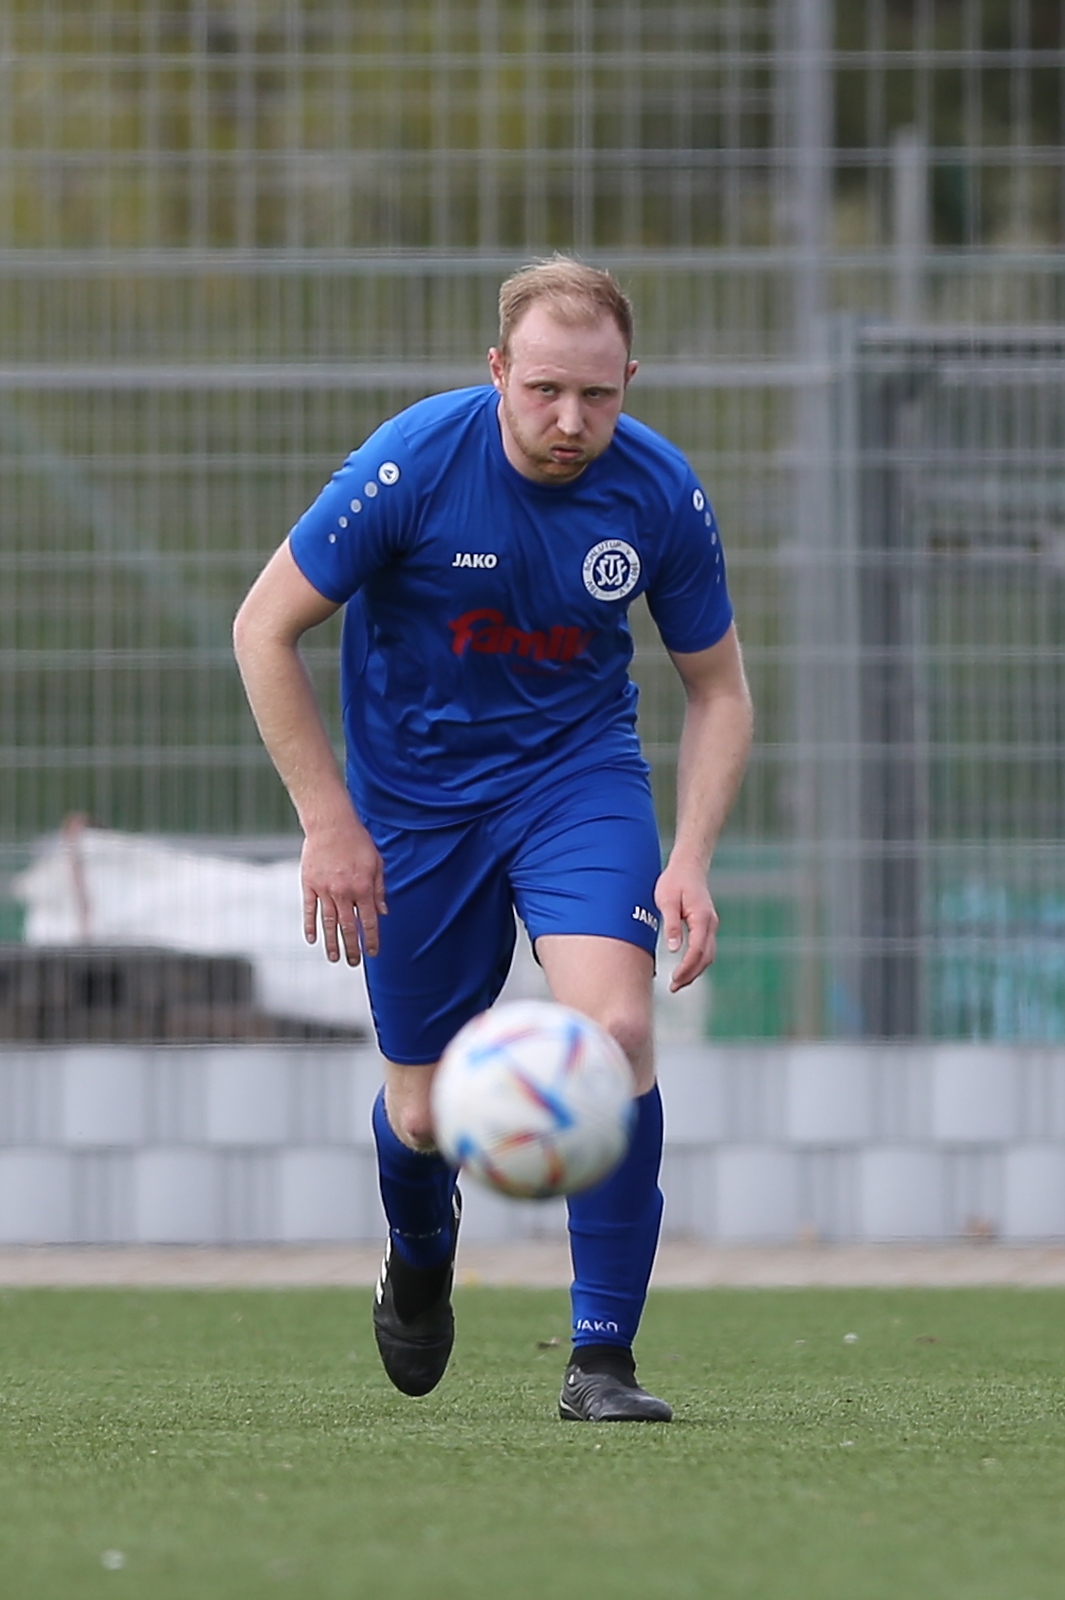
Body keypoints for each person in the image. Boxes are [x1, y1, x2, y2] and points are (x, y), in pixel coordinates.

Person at [233, 257, 752, 1422]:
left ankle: (600, 1357)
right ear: (497, 372)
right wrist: (330, 823)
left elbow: (717, 690)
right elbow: (262, 629)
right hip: (415, 807)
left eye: (599, 395)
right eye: (544, 392)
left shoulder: (658, 492)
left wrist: (691, 856)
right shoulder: (411, 463)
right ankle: (420, 1250)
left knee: (616, 1029)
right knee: (421, 1115)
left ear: (629, 380)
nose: (571, 422)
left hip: (576, 781)